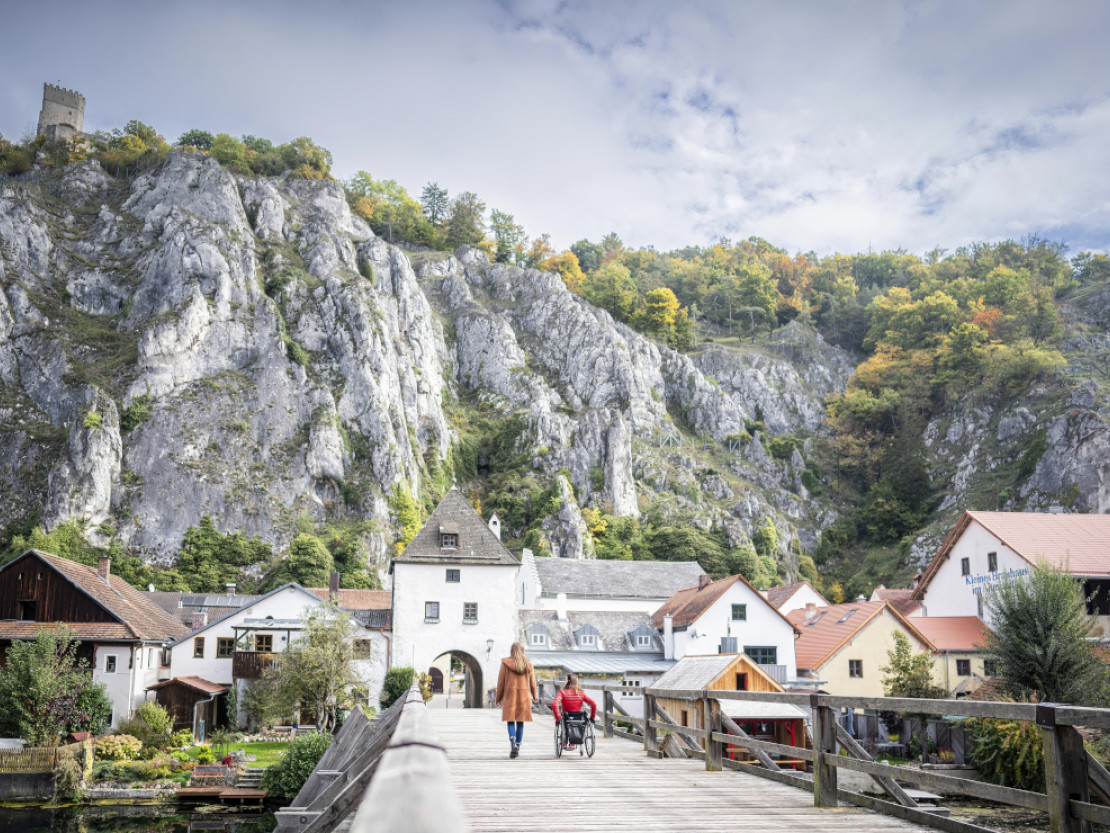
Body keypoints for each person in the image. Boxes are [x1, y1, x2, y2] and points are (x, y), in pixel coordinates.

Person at [496, 641, 538, 759]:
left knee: (510, 721)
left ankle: (513, 741)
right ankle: (517, 745)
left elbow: (500, 682)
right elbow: (533, 683)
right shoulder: (528, 663)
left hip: (510, 695)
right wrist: (534, 695)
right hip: (524, 696)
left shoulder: (505, 663)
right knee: (520, 722)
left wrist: (498, 698)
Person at [551, 673, 597, 749]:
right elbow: (593, 704)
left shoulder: (562, 692)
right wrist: (592, 718)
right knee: (578, 723)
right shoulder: (581, 693)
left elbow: (554, 704)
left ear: (567, 681)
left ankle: (565, 742)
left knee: (564, 721)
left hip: (567, 717)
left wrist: (558, 718)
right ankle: (574, 742)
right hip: (579, 717)